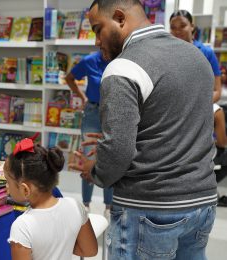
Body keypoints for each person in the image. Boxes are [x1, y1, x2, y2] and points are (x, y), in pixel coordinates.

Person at [69, 0, 217, 259]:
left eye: (97, 29)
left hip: (149, 208)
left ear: (119, 17)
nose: (96, 41)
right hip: (202, 203)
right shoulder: (196, 56)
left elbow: (118, 151)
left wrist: (95, 169)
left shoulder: (122, 68)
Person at [5, 139, 97, 260]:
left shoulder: (22, 226)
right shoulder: (75, 205)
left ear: (25, 190)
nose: (6, 187)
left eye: (8, 182)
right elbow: (90, 250)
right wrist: (64, 243)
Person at [65, 52, 113, 213]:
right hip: (92, 112)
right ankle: (86, 204)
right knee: (88, 157)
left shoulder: (122, 58)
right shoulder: (89, 60)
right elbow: (69, 78)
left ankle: (109, 205)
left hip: (113, 112)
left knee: (110, 157)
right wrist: (82, 97)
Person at [170, 10, 222, 103]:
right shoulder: (167, 53)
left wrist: (199, 108)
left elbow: (217, 91)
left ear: (192, 26)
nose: (177, 31)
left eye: (182, 26)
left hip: (201, 107)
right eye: (173, 27)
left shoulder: (206, 52)